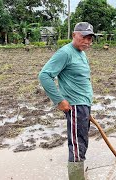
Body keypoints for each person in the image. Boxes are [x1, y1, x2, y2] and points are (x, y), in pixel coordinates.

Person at [38, 22, 95, 180]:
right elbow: (44, 75)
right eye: (84, 37)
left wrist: (86, 104)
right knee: (77, 145)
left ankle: (79, 173)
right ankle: (76, 177)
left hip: (83, 106)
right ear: (74, 35)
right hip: (75, 106)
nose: (87, 41)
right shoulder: (65, 53)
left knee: (82, 142)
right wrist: (59, 100)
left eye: (90, 38)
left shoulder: (81, 53)